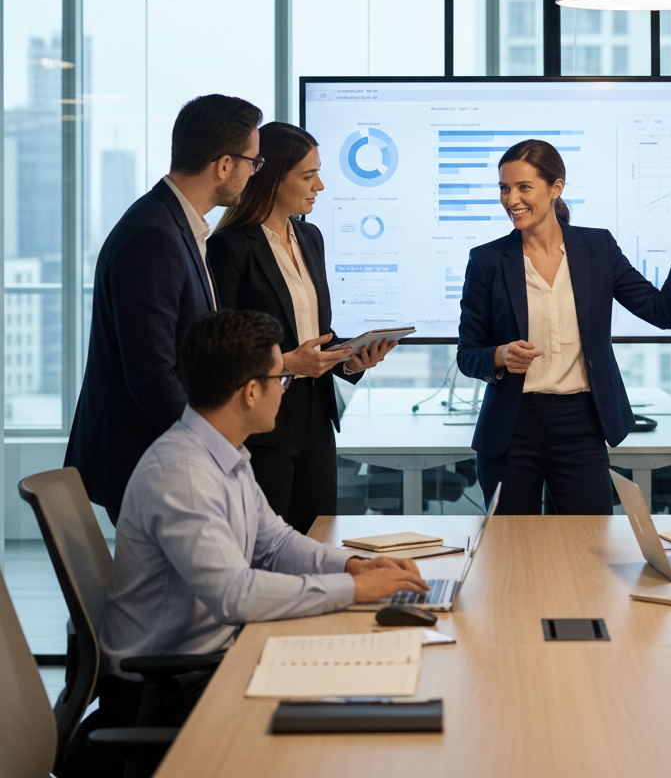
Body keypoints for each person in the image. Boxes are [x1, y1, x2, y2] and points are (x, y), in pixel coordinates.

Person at [97, 309, 428, 728]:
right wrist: (353, 588)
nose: (285, 390)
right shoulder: (183, 475)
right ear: (251, 392)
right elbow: (235, 594)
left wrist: (351, 565)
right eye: (281, 379)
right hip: (164, 686)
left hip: (214, 659)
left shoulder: (223, 452)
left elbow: (274, 544)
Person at [457, 139, 671, 515]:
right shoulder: (486, 260)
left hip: (581, 423)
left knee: (590, 549)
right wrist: (499, 355)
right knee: (513, 555)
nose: (511, 199)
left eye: (523, 187)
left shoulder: (597, 247)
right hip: (512, 427)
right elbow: (468, 355)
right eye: (504, 188)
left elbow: (662, 313)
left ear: (556, 188)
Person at [65, 93, 264, 522]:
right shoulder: (153, 235)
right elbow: (153, 374)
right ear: (224, 164)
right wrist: (211, 447)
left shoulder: (172, 223)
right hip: (151, 461)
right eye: (253, 162)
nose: (254, 173)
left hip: (163, 454)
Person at [207, 122, 397, 533]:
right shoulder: (230, 247)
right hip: (263, 428)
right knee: (267, 547)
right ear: (273, 178)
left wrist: (353, 358)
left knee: (318, 540)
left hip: (316, 422)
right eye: (309, 176)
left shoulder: (310, 237)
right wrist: (288, 362)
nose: (321, 186)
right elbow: (219, 350)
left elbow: (315, 333)